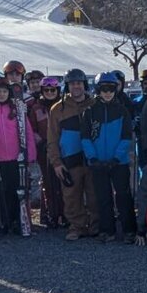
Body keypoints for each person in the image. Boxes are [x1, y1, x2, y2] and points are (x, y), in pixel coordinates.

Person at [80, 73, 136, 244]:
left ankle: (129, 230)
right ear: (98, 90)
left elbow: (126, 137)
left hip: (118, 163)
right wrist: (92, 158)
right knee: (103, 197)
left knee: (123, 196)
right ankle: (107, 229)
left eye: (111, 89)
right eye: (104, 89)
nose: (107, 93)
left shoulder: (122, 111)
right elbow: (85, 138)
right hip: (98, 163)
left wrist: (117, 158)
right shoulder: (89, 112)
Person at [0, 77, 36, 236]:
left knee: (16, 190)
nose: (2, 94)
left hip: (15, 158)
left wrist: (29, 155)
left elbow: (28, 133)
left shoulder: (17, 110)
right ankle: (2, 221)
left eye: (4, 91)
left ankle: (18, 220)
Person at [47, 69, 98, 241]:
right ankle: (76, 226)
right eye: (72, 83)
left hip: (92, 158)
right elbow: (52, 138)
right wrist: (56, 163)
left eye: (79, 83)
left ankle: (95, 226)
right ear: (67, 86)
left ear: (84, 84)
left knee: (95, 193)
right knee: (71, 195)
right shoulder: (58, 109)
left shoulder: (94, 104)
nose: (76, 86)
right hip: (69, 159)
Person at [34, 77, 65, 229]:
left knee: (63, 181)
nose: (50, 93)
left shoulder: (63, 106)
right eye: (46, 90)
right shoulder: (37, 108)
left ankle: (64, 214)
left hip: (62, 148)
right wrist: (41, 141)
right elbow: (31, 128)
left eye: (53, 90)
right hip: (44, 149)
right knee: (48, 182)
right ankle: (50, 214)